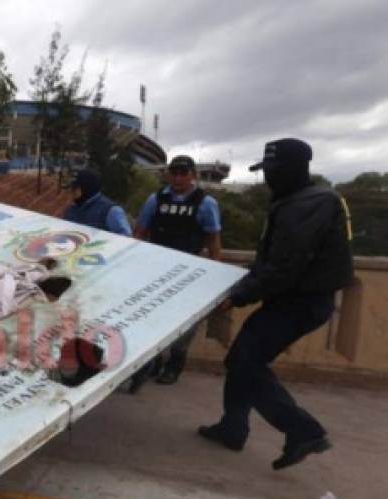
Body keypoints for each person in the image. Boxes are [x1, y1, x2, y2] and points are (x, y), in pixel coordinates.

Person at [198, 138, 353, 470]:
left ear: (295, 170)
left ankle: (303, 430)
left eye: (273, 171)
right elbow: (271, 261)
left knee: (244, 363)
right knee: (243, 360)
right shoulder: (297, 200)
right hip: (292, 299)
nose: (268, 178)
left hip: (300, 302)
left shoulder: (307, 205)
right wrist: (238, 281)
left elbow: (284, 267)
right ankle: (233, 427)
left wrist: (238, 296)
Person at [132, 155, 223, 387]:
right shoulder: (156, 199)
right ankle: (151, 362)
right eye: (174, 173)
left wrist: (216, 272)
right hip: (157, 269)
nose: (178, 178)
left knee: (184, 324)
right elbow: (140, 232)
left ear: (193, 175)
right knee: (151, 318)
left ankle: (174, 365)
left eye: (184, 173)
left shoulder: (206, 203)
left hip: (189, 273)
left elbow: (213, 239)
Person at [61, 168, 132, 236]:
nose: (70, 190)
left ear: (85, 188)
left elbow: (125, 238)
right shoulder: (72, 209)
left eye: (74, 188)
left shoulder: (111, 210)